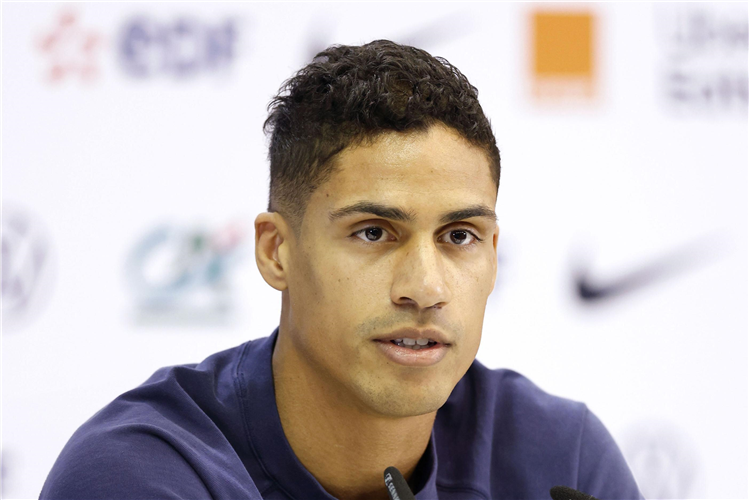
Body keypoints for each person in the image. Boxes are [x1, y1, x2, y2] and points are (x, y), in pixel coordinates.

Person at [40, 40, 643, 500]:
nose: (426, 289)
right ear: (277, 252)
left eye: (460, 236)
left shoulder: (561, 462)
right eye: (374, 233)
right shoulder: (142, 475)